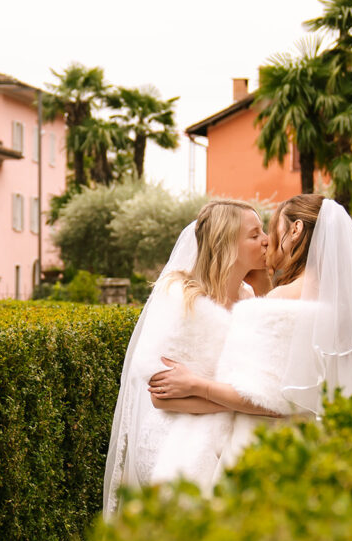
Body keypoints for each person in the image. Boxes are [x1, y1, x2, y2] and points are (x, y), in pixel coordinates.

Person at [149, 195, 352, 472]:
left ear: (296, 229)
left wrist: (198, 386)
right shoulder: (347, 303)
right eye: (256, 234)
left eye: (271, 227)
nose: (267, 239)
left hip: (262, 446)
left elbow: (272, 400)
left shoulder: (278, 300)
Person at [102, 198, 269, 519]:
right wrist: (239, 403)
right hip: (172, 443)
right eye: (254, 234)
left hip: (225, 440)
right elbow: (163, 398)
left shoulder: (249, 297)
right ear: (225, 244)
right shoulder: (180, 294)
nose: (266, 239)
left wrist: (229, 399)